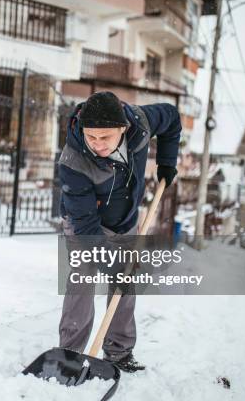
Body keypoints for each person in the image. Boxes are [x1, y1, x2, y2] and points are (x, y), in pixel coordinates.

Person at [58, 91, 181, 372]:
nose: (97, 144)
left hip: (125, 220)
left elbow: (172, 118)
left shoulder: (141, 122)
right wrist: (112, 264)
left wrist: (167, 162)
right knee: (82, 282)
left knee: (125, 285)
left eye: (105, 137)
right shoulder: (73, 162)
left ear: (123, 129)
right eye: (91, 137)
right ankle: (70, 355)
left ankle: (119, 352)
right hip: (84, 226)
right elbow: (87, 230)